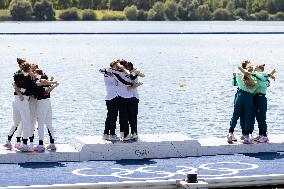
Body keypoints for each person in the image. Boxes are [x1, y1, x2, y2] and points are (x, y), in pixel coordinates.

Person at [228, 60, 257, 144]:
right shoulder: (252, 76)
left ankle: (230, 133)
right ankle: (246, 136)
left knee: (235, 115)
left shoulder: (238, 73)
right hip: (249, 97)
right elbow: (254, 88)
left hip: (239, 95)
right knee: (247, 116)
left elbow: (234, 83)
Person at [33, 69, 59, 152]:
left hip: (41, 103)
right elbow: (48, 90)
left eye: (35, 73)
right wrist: (53, 84)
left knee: (40, 124)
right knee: (49, 124)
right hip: (48, 102)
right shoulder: (47, 83)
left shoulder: (38, 82)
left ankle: (41, 145)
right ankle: (52, 143)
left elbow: (39, 84)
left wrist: (52, 84)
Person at [250, 64, 276, 143]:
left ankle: (264, 136)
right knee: (258, 118)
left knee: (262, 118)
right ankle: (261, 134)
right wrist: (269, 76)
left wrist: (269, 75)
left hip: (261, 98)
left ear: (260, 69)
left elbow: (260, 76)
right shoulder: (262, 77)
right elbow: (262, 77)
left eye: (255, 68)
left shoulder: (261, 76)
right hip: (257, 98)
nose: (254, 69)